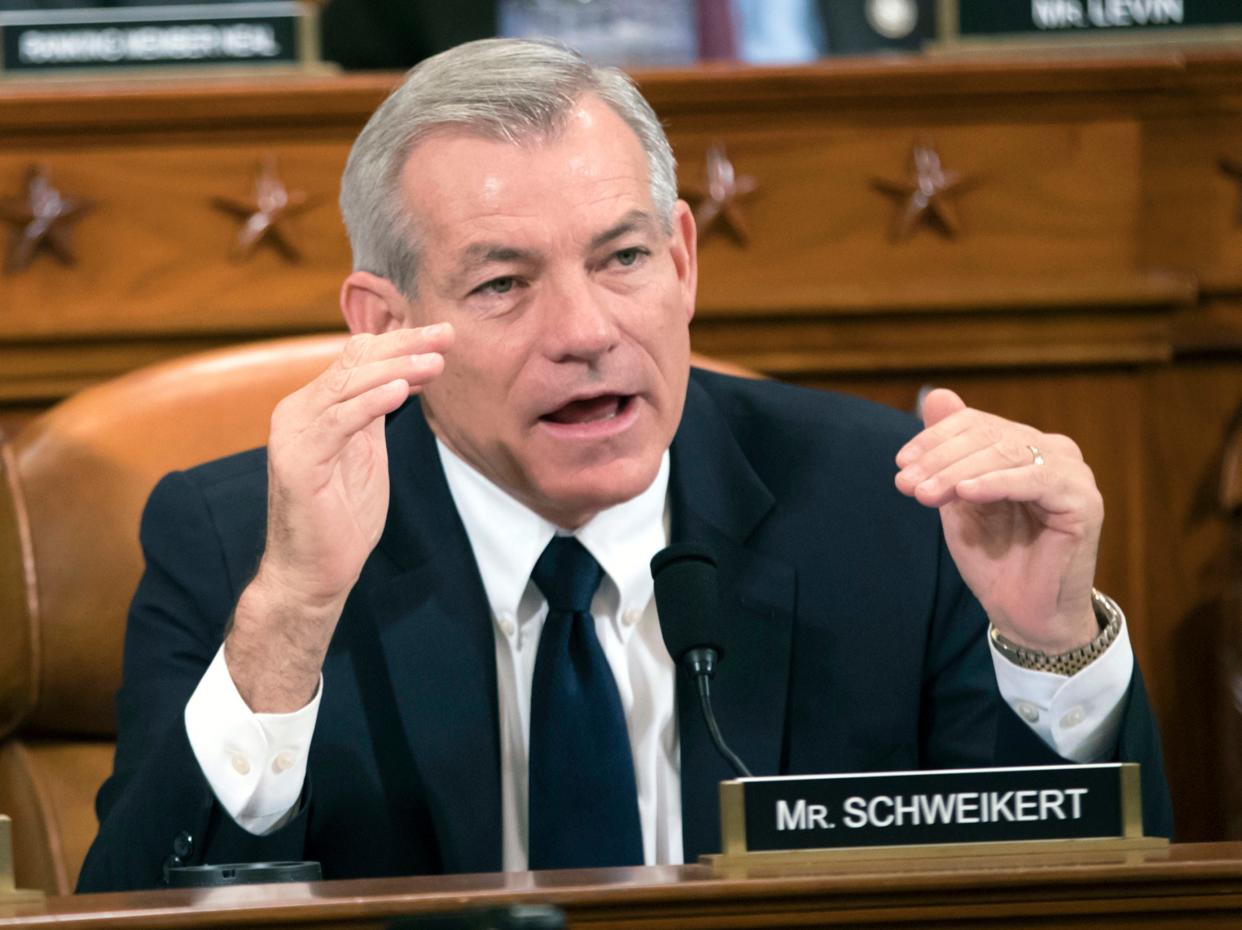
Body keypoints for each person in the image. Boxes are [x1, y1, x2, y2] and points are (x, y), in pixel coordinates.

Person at [77, 37, 1171, 893]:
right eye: (504, 284)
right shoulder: (243, 543)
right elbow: (134, 907)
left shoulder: (893, 506)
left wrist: (1049, 651)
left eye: (624, 258)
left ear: (684, 259)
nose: (587, 331)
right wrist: (293, 619)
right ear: (383, 326)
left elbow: (1070, 894)